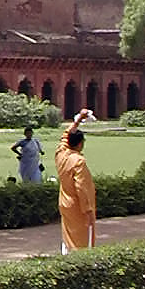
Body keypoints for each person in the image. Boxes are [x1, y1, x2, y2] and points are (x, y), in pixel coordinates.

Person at [55, 107, 96, 252]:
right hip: (78, 206)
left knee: (68, 236)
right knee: (82, 240)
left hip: (65, 201)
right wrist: (88, 210)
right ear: (80, 143)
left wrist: (77, 120)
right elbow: (81, 188)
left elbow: (65, 136)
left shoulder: (61, 153)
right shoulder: (78, 161)